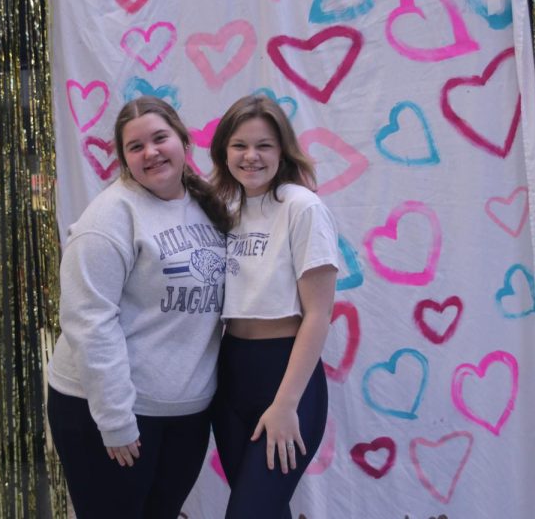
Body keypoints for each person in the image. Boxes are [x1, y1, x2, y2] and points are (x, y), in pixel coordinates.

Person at [46, 96, 231, 518]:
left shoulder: (206, 207)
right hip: (110, 409)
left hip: (184, 412)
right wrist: (114, 420)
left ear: (183, 140)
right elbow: (89, 320)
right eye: (135, 146)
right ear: (124, 159)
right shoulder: (109, 219)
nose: (150, 152)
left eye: (160, 138)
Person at [209, 94, 339, 518]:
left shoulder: (302, 207)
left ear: (282, 150)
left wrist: (284, 405)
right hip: (230, 375)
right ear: (223, 151)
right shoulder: (223, 209)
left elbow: (319, 315)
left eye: (264, 145)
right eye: (239, 145)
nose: (251, 156)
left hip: (285, 375)